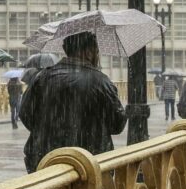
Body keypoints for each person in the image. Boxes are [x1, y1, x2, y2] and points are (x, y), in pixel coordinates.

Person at [19, 32, 130, 173]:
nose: (98, 57)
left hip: (45, 159)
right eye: (97, 52)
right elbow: (117, 125)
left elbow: (25, 113)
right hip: (88, 163)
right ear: (88, 52)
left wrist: (48, 132)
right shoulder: (101, 81)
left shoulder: (42, 77)